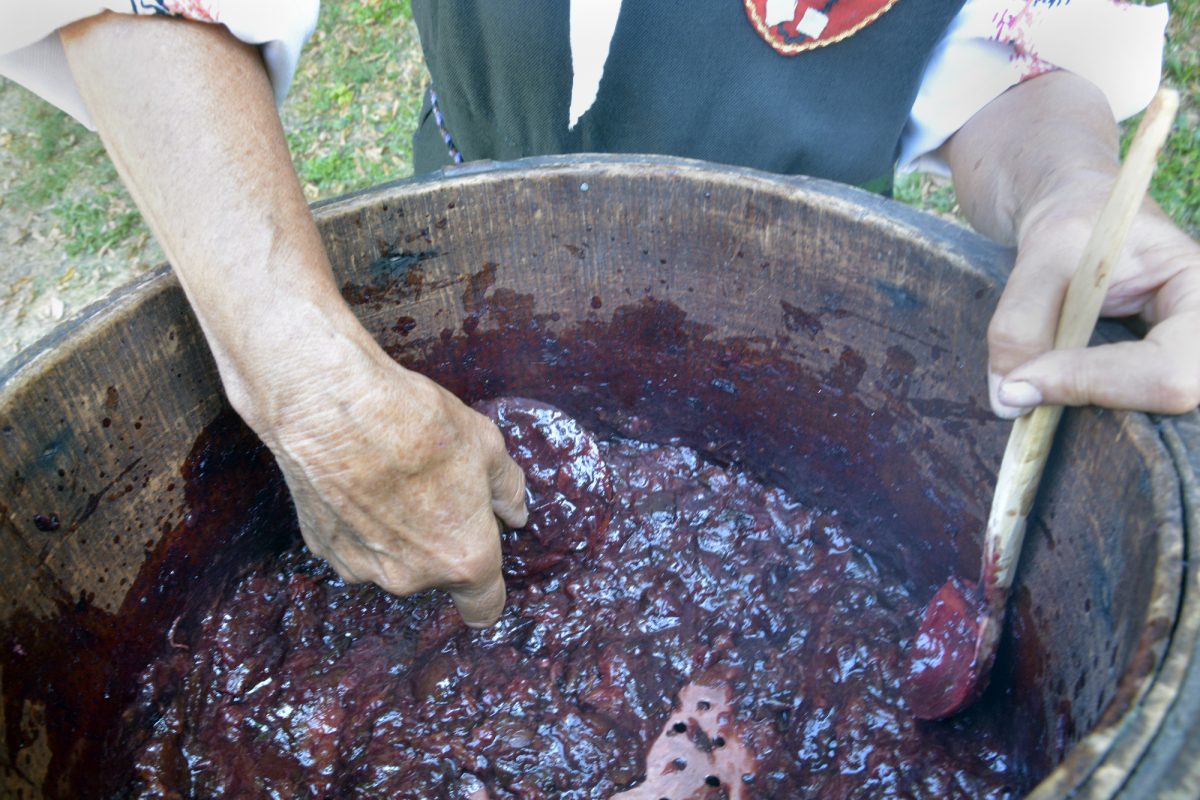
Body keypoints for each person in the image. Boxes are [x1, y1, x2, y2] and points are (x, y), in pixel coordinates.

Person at [1, 1, 1196, 629]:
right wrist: (297, 371)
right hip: (477, 242)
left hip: (791, 282)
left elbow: (1022, 44)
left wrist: (1067, 188)